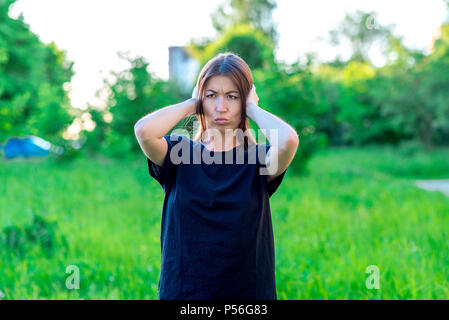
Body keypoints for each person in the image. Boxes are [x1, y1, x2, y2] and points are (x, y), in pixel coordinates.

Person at [134, 52, 299, 300]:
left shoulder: (259, 160)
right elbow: (144, 131)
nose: (221, 107)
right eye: (212, 96)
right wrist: (193, 103)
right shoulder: (179, 154)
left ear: (243, 100)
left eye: (232, 96)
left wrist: (252, 107)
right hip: (184, 295)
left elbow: (288, 140)